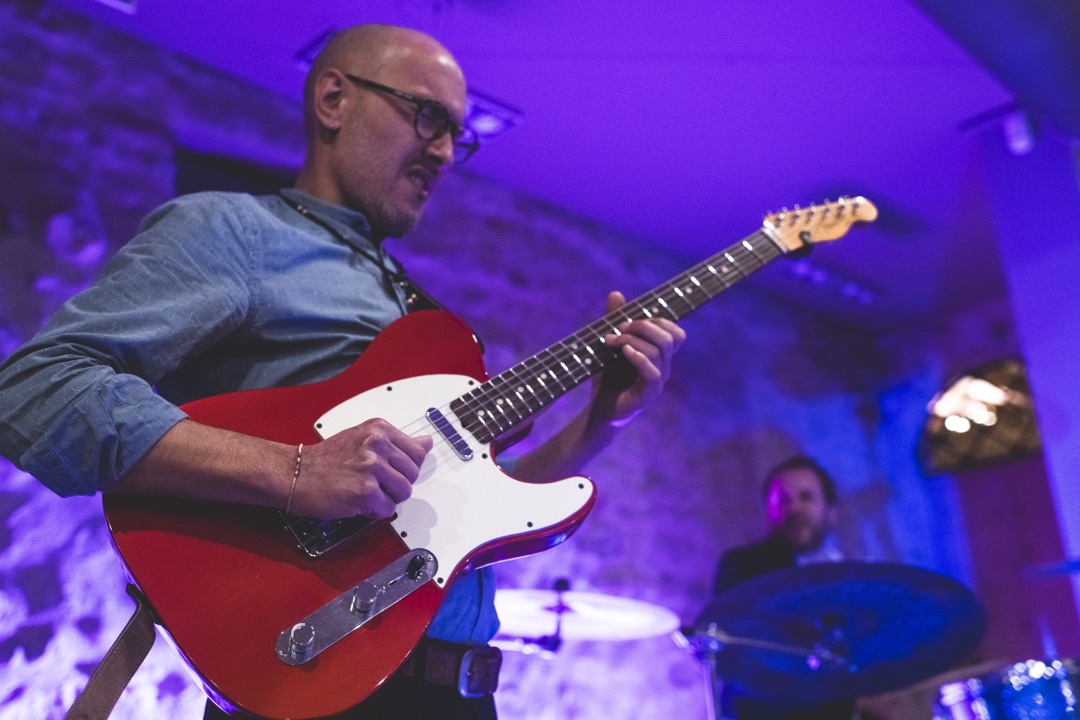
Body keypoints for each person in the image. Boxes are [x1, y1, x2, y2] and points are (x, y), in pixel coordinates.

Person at [0, 24, 685, 720]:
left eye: (459, 136)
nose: (445, 152)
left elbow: (464, 514)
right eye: (428, 117)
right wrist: (297, 470)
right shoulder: (237, 232)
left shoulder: (421, 314)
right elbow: (38, 389)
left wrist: (601, 424)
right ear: (333, 99)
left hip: (459, 697)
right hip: (315, 674)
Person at [708, 456, 853, 720]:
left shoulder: (851, 578)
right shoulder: (743, 567)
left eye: (806, 497)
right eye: (783, 500)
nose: (794, 508)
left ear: (831, 510)